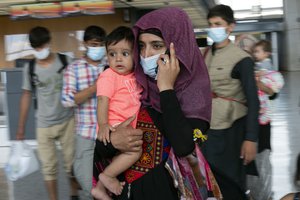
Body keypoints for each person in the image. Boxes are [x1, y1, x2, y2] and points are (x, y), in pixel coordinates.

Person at [92, 7, 221, 200]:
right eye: (141, 46)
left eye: (157, 45)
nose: (145, 54)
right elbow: (99, 150)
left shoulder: (195, 96)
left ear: (178, 46)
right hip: (123, 190)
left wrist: (166, 89)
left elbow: (184, 146)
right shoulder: (135, 84)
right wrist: (112, 142)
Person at [201, 4, 260, 199]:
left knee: (231, 179)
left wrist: (251, 138)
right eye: (210, 24)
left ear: (230, 27)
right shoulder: (207, 54)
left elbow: (253, 100)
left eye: (218, 24)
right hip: (209, 126)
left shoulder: (241, 59)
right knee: (209, 176)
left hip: (232, 128)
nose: (213, 28)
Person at [16, 26, 77, 200]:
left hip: (67, 121)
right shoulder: (30, 68)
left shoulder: (66, 61)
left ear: (49, 43)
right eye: (36, 48)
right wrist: (20, 128)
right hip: (43, 124)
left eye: (42, 46)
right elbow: (26, 95)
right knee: (48, 167)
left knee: (71, 165)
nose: (39, 51)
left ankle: (74, 193)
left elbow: (78, 88)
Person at [91, 26, 143, 199]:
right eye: (112, 54)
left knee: (120, 158)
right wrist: (104, 124)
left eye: (125, 54)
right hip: (113, 125)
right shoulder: (108, 75)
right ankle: (107, 176)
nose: (118, 59)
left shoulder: (135, 76)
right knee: (134, 152)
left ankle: (99, 188)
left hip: (125, 124)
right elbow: (102, 100)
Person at [62, 25, 107, 200]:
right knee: (88, 182)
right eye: (94, 44)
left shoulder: (110, 65)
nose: (97, 48)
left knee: (113, 179)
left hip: (110, 132)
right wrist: (96, 88)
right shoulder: (74, 69)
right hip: (86, 134)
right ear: (86, 44)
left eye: (100, 44)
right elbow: (67, 100)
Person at [247, 40, 284, 200]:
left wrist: (259, 83)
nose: (255, 54)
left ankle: (262, 194)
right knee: (253, 160)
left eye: (258, 51)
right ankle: (256, 192)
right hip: (252, 122)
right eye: (254, 52)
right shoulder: (255, 68)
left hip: (261, 123)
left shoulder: (267, 71)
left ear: (267, 53)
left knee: (261, 158)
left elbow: (272, 92)